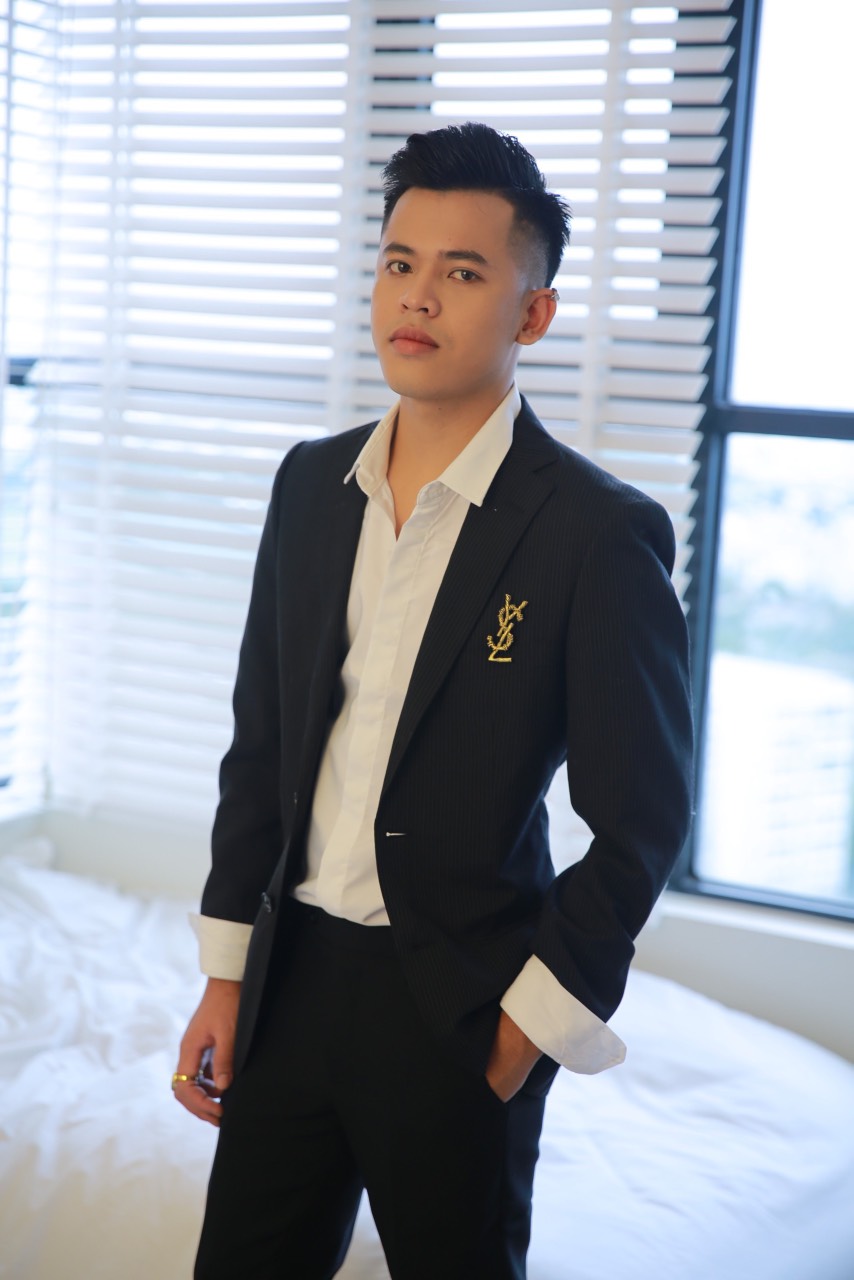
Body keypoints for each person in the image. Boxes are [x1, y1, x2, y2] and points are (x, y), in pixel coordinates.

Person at [173, 121, 694, 1280]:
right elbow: (261, 747)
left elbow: (641, 820)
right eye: (398, 262)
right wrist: (226, 973)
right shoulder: (311, 483)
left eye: (462, 272)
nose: (416, 295)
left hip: (457, 1005)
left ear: (531, 314)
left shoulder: (594, 532)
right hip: (290, 981)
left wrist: (524, 1032)